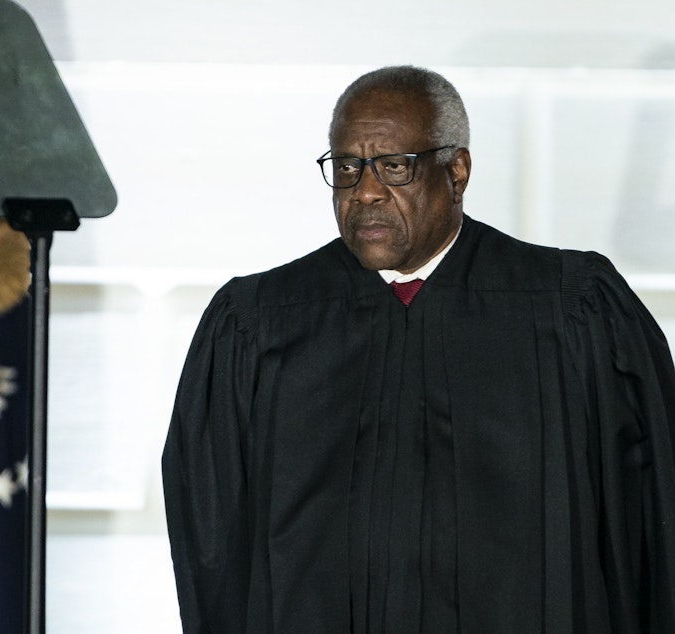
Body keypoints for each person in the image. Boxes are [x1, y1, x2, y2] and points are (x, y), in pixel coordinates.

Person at [162, 65, 675, 633]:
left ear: (456, 170)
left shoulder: (570, 309)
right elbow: (211, 544)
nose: (366, 192)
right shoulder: (258, 323)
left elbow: (650, 512)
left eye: (394, 167)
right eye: (348, 168)